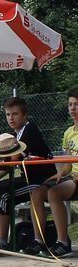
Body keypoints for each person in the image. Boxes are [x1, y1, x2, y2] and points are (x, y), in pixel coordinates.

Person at [0, 98, 56, 251]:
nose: (11, 118)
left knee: (3, 192)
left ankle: (2, 241)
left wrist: (3, 150)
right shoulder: (16, 135)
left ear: (25, 115)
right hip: (28, 179)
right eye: (7, 115)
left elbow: (13, 160)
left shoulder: (29, 129)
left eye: (15, 114)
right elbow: (7, 165)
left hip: (42, 180)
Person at [46, 89, 78, 257]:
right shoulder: (68, 133)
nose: (72, 108)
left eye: (76, 105)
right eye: (70, 105)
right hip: (74, 179)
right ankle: (63, 241)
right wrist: (60, 174)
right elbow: (67, 162)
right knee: (48, 190)